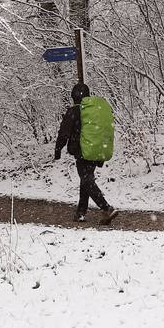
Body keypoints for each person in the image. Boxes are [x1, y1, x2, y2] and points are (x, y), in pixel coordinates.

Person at [54, 82, 117, 224]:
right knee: (86, 179)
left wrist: (58, 149)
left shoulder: (74, 111)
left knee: (87, 180)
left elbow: (64, 132)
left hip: (82, 151)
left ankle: (106, 208)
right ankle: (81, 213)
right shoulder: (92, 110)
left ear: (74, 96)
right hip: (96, 149)